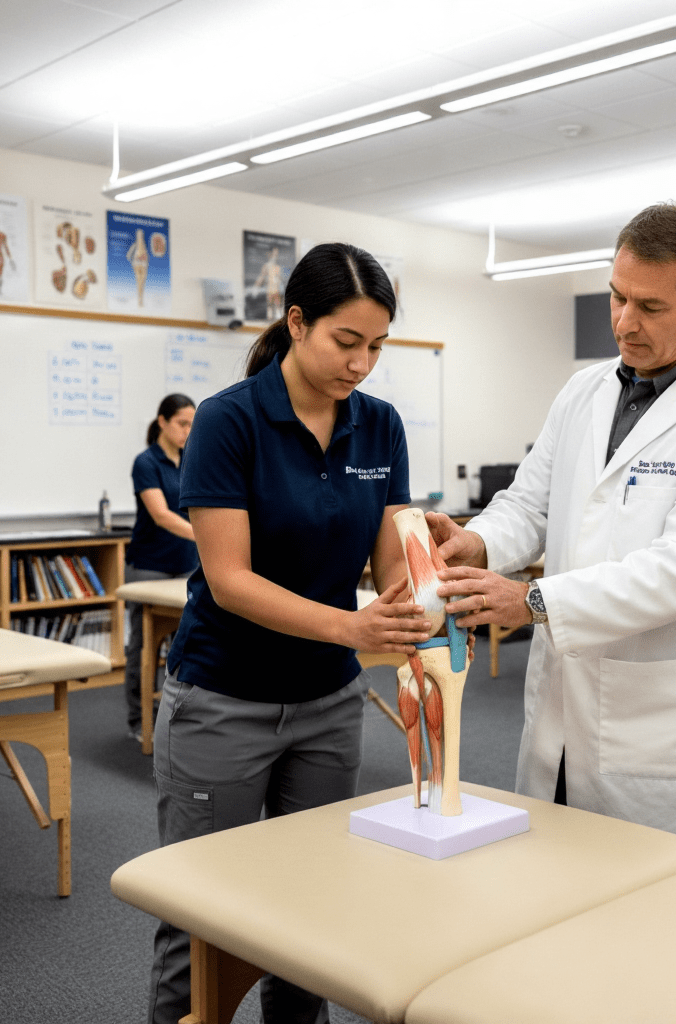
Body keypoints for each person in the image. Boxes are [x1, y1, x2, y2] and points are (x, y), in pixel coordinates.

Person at [428, 203, 676, 855]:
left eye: (649, 307)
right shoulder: (583, 392)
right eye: (616, 298)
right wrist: (473, 541)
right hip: (562, 706)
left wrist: (530, 600)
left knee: (654, 921)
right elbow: (529, 505)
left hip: (659, 726)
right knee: (548, 891)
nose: (624, 322)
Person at [147, 242, 433, 1024]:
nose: (362, 364)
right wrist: (355, 623)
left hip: (327, 706)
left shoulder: (380, 428)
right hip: (221, 702)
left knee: (312, 916)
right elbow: (231, 582)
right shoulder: (227, 422)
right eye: (347, 342)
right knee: (200, 918)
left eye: (377, 347)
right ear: (296, 321)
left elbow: (390, 565)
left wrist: (423, 588)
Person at [122, 394, 200, 741]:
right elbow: (161, 514)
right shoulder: (146, 462)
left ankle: (176, 716)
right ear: (162, 422)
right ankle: (139, 721)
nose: (188, 430)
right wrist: (209, 536)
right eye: (182, 423)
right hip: (149, 566)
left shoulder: (191, 459)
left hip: (186, 564)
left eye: (192, 425)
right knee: (143, 644)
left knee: (184, 643)